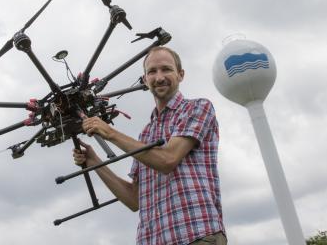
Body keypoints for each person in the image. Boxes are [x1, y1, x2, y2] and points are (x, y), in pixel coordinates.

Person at [74, 46, 226, 245]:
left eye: (166, 69)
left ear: (180, 75)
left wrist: (110, 133)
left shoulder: (197, 108)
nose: (159, 77)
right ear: (145, 80)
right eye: (152, 71)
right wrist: (94, 162)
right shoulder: (145, 135)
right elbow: (134, 199)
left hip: (195, 234)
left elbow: (168, 160)